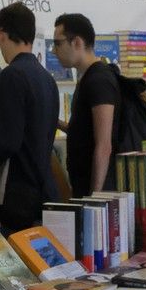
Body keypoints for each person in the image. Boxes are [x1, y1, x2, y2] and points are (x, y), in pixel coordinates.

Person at [0, 2, 61, 233]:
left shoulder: (11, 75)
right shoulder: (47, 78)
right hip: (46, 190)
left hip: (19, 196)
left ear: (1, 34)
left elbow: (6, 142)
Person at [53, 13, 120, 197]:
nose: (53, 50)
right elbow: (85, 133)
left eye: (58, 43)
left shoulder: (99, 79)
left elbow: (104, 145)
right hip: (84, 188)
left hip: (100, 196)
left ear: (77, 43)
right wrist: (56, 123)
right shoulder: (87, 78)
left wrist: (94, 198)